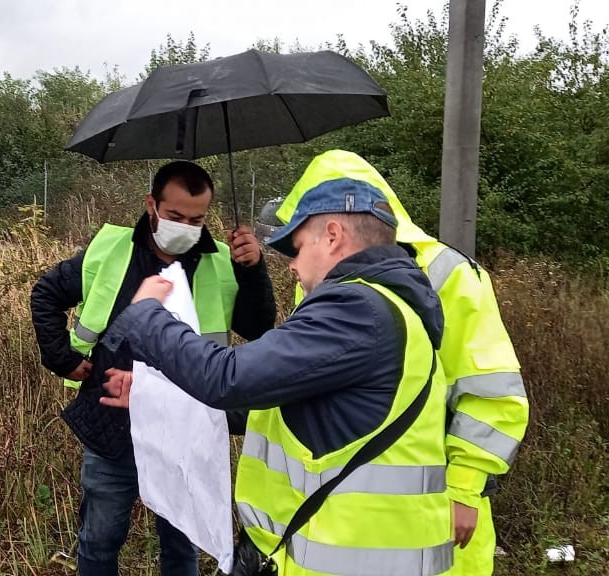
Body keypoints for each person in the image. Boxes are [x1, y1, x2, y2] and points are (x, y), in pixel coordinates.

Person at [100, 178, 456, 575]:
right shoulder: (388, 308)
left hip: (346, 556)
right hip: (350, 547)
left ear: (333, 236)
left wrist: (148, 313)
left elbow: (227, 378)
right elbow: (278, 408)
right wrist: (158, 399)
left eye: (298, 248)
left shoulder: (356, 309)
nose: (292, 264)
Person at [267, 150, 527, 575]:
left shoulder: (448, 274)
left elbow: (491, 393)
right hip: (343, 504)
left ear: (333, 228)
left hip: (432, 501)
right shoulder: (326, 275)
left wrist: (464, 487)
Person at [29, 160, 277, 576]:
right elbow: (46, 294)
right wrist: (62, 358)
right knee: (100, 539)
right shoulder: (111, 250)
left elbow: (256, 326)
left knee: (181, 545)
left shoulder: (221, 261)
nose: (185, 227)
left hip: (185, 429)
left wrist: (252, 271)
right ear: (151, 205)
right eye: (175, 216)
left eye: (196, 220)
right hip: (112, 425)